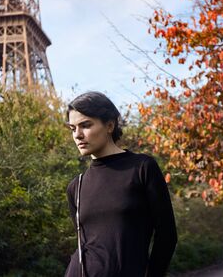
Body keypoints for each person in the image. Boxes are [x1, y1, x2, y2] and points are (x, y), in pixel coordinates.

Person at [64, 91, 177, 277]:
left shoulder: (142, 168)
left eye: (85, 125)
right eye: (72, 128)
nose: (78, 135)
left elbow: (167, 235)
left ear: (109, 125)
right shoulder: (76, 186)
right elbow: (84, 244)